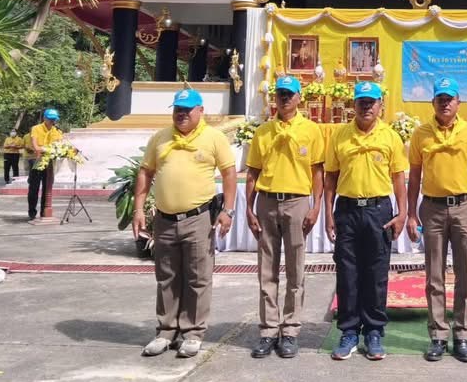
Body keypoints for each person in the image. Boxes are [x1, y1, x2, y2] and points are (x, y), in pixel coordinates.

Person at [133, 88, 237, 358]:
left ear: (200, 111)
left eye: (187, 109)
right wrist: (138, 209)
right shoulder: (160, 137)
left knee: (198, 277)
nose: (181, 114)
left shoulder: (214, 138)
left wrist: (228, 210)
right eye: (178, 109)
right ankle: (166, 331)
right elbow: (146, 172)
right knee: (166, 276)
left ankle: (193, 333)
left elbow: (229, 173)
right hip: (165, 219)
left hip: (198, 218)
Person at [407, 77, 467, 363]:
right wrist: (410, 213)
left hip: (465, 207)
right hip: (432, 208)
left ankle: (463, 335)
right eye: (440, 98)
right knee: (434, 275)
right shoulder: (421, 134)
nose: (445, 103)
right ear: (433, 102)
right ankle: (438, 335)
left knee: (465, 274)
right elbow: (414, 177)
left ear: (458, 102)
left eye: (450, 98)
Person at [324, 81, 408, 361]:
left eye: (372, 102)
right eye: (362, 101)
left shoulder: (390, 137)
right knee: (347, 273)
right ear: (354, 105)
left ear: (380, 105)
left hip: (378, 211)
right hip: (347, 210)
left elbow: (398, 178)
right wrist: (328, 214)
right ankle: (349, 331)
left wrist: (402, 213)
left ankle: (374, 331)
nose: (367, 107)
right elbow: (331, 177)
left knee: (376, 273)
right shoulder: (340, 136)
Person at [246, 75, 325, 360]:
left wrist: (316, 206)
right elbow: (253, 172)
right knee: (266, 270)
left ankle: (290, 329)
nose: (285, 98)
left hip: (296, 202)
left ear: (299, 97)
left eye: (290, 94)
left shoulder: (311, 130)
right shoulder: (263, 132)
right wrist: (249, 209)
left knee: (295, 269)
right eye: (281, 93)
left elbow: (317, 172)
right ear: (275, 98)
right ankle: (268, 330)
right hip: (267, 201)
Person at [27, 109, 63, 219]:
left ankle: (44, 211)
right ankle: (32, 211)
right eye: (50, 119)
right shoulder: (36, 128)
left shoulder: (57, 131)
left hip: (50, 162)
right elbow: (35, 146)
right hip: (37, 161)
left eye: (54, 119)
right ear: (44, 118)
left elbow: (60, 146)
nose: (52, 121)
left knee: (47, 187)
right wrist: (45, 149)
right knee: (34, 187)